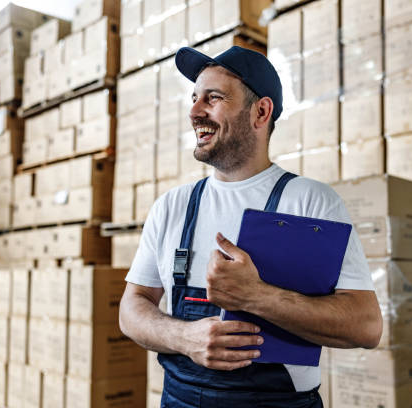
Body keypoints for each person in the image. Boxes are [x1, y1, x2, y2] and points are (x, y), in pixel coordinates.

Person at [119, 46, 382, 407]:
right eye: (194, 98)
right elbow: (132, 307)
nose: (195, 112)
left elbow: (366, 326)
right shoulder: (173, 206)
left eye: (213, 98)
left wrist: (258, 296)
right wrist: (185, 338)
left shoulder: (309, 202)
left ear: (261, 111)